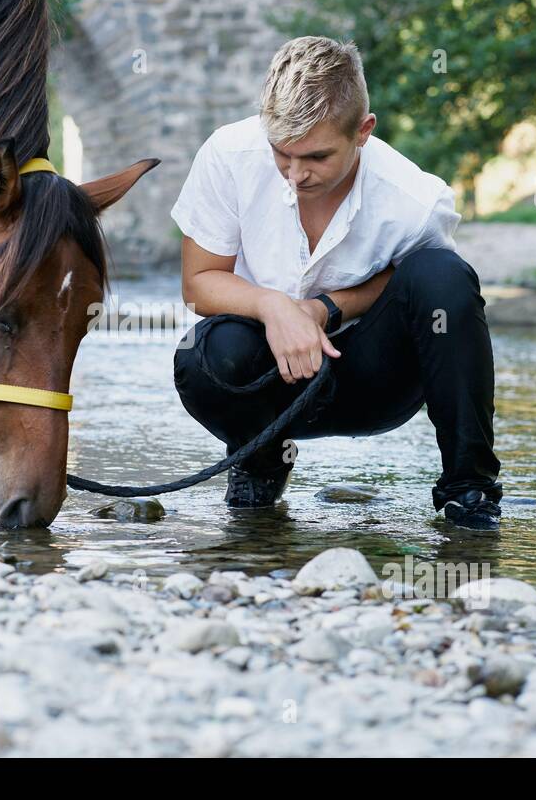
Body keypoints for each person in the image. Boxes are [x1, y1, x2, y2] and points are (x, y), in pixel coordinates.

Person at [170, 36, 503, 531]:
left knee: (445, 276)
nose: (295, 175)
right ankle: (262, 460)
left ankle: (469, 489)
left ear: (363, 131)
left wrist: (326, 308)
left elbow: (426, 298)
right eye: (282, 153)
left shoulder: (416, 200)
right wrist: (274, 306)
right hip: (266, 378)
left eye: (317, 158)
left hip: (372, 380)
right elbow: (199, 284)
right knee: (202, 355)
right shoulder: (228, 155)